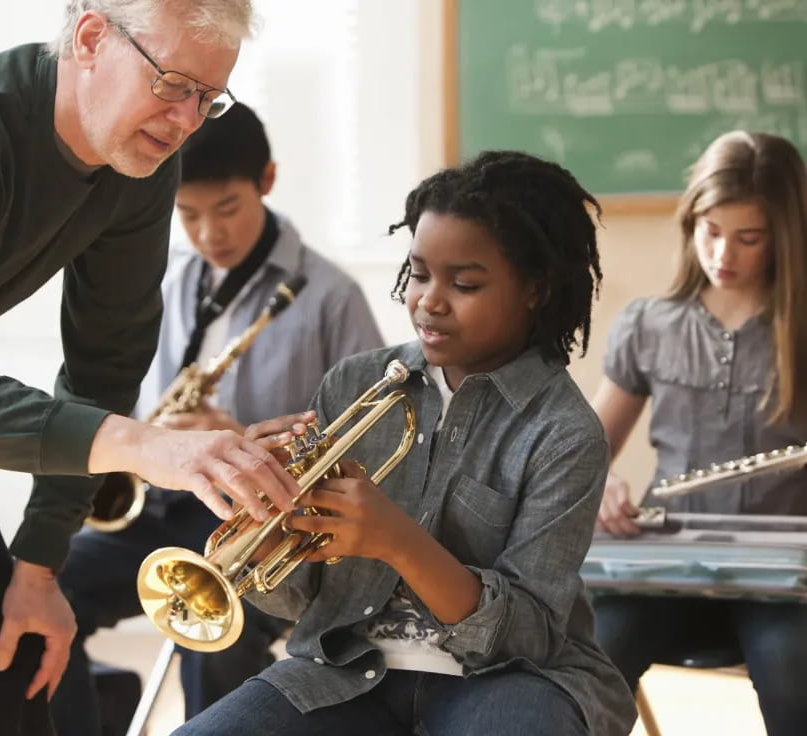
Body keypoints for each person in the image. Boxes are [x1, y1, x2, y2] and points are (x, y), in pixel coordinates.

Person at [0, 2, 307, 734]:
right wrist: (149, 446)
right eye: (173, 83)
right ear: (90, 39)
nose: (184, 121)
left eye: (209, 98)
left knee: (4, 661)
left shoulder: (139, 162)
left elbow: (104, 367)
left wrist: (40, 567)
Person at [175, 150, 638, 736]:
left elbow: (527, 637)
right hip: (341, 672)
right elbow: (299, 599)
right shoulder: (352, 382)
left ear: (535, 291)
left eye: (464, 282)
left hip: (509, 680)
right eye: (419, 273)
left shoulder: (565, 432)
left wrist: (398, 542)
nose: (429, 300)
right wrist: (265, 510)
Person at [50, 102, 384, 735]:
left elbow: (372, 442)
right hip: (166, 514)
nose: (209, 234)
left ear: (267, 180)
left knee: (216, 637)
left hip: (269, 533)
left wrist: (240, 440)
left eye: (226, 208)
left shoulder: (330, 296)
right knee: (46, 590)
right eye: (188, 214)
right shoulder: (171, 280)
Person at [591, 130, 807, 736]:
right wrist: (600, 483)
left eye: (749, 238)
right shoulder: (651, 325)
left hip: (786, 580)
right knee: (592, 664)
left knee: (794, 678)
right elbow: (584, 453)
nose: (723, 254)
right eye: (710, 232)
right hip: (668, 567)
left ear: (784, 237)